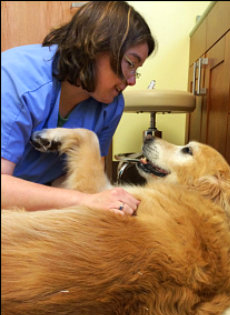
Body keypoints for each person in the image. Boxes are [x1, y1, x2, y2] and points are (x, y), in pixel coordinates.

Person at [1, 1, 156, 215]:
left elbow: (84, 184)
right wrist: (85, 201)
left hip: (39, 206)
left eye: (137, 70)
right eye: (130, 63)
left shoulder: (110, 106)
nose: (132, 81)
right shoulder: (15, 78)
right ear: (96, 45)